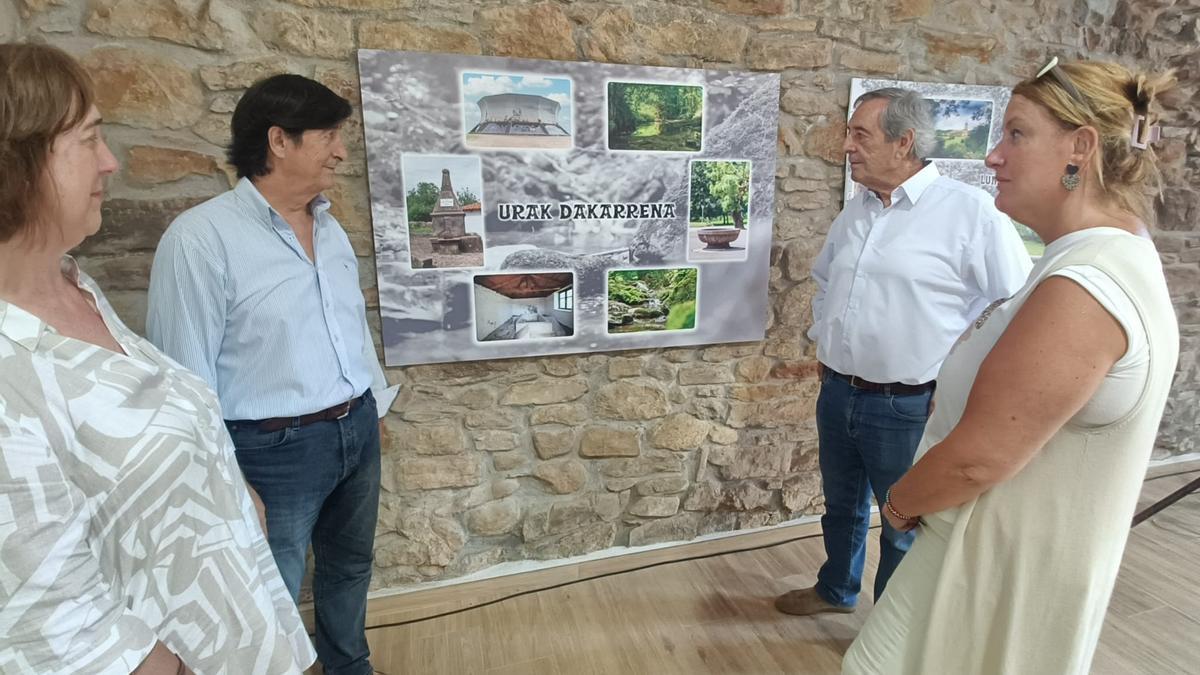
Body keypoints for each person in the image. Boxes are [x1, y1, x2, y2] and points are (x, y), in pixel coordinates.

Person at [843, 59, 1179, 674]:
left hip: (996, 568)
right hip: (986, 551)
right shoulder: (1095, 258)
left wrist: (898, 505)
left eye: (1017, 134)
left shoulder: (1087, 283)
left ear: (1079, 148)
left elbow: (982, 456)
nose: (994, 156)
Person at [0, 43, 315, 674]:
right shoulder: (13, 373)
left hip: (250, 633)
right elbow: (54, 629)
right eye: (89, 138)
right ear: (18, 161)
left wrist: (227, 484)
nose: (110, 162)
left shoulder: (75, 286)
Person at [147, 74, 398, 675]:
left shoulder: (329, 226)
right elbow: (184, 375)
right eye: (329, 136)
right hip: (270, 450)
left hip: (354, 430)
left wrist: (374, 408)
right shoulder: (201, 239)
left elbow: (349, 327)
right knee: (270, 591)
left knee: (349, 566)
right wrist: (228, 479)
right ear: (279, 140)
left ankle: (348, 667)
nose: (341, 151)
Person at [775, 88, 1032, 617]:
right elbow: (824, 282)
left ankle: (889, 629)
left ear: (905, 141)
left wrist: (960, 382)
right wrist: (826, 339)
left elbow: (1015, 308)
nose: (847, 146)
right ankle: (836, 590)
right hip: (839, 390)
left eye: (860, 134)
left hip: (910, 405)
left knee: (903, 520)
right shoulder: (857, 211)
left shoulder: (970, 213)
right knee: (841, 506)